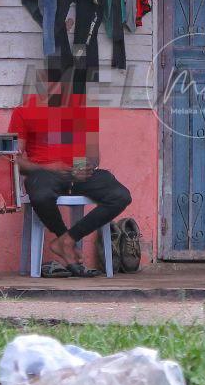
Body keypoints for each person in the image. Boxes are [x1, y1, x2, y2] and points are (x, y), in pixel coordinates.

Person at [8, 72, 131, 278]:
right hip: (44, 173)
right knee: (40, 193)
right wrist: (50, 168)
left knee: (120, 195)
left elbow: (93, 156)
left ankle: (66, 241)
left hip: (77, 174)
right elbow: (15, 160)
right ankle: (63, 238)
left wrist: (83, 168)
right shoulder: (24, 111)